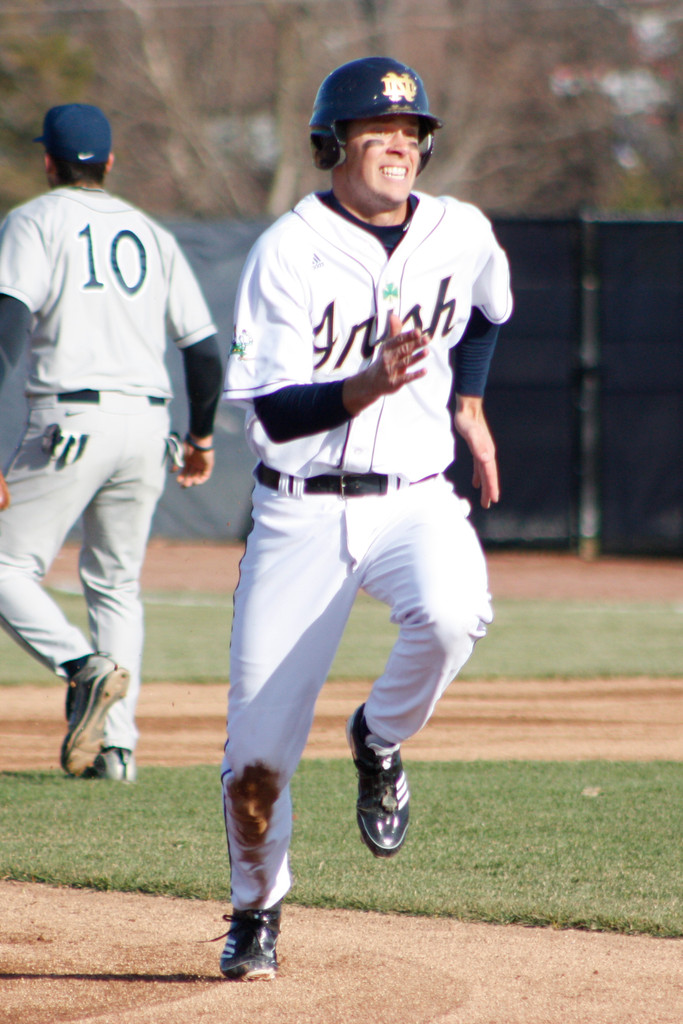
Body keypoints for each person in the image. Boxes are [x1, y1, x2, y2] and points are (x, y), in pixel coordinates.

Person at [218, 56, 513, 980]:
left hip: (416, 495)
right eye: (378, 130)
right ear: (334, 143)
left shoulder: (460, 231)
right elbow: (271, 411)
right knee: (255, 760)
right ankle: (255, 914)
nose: (400, 144)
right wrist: (367, 385)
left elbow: (492, 310)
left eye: (413, 131)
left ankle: (379, 736)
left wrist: (466, 402)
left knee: (454, 613)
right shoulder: (291, 248)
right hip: (301, 514)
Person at [0, 103, 222, 782]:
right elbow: (205, 350)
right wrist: (202, 436)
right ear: (111, 162)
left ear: (48, 162)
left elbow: (6, 331)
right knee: (117, 586)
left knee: (6, 569)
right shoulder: (152, 233)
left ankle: (82, 667)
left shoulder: (36, 220)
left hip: (71, 422)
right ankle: (116, 753)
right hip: (150, 427)